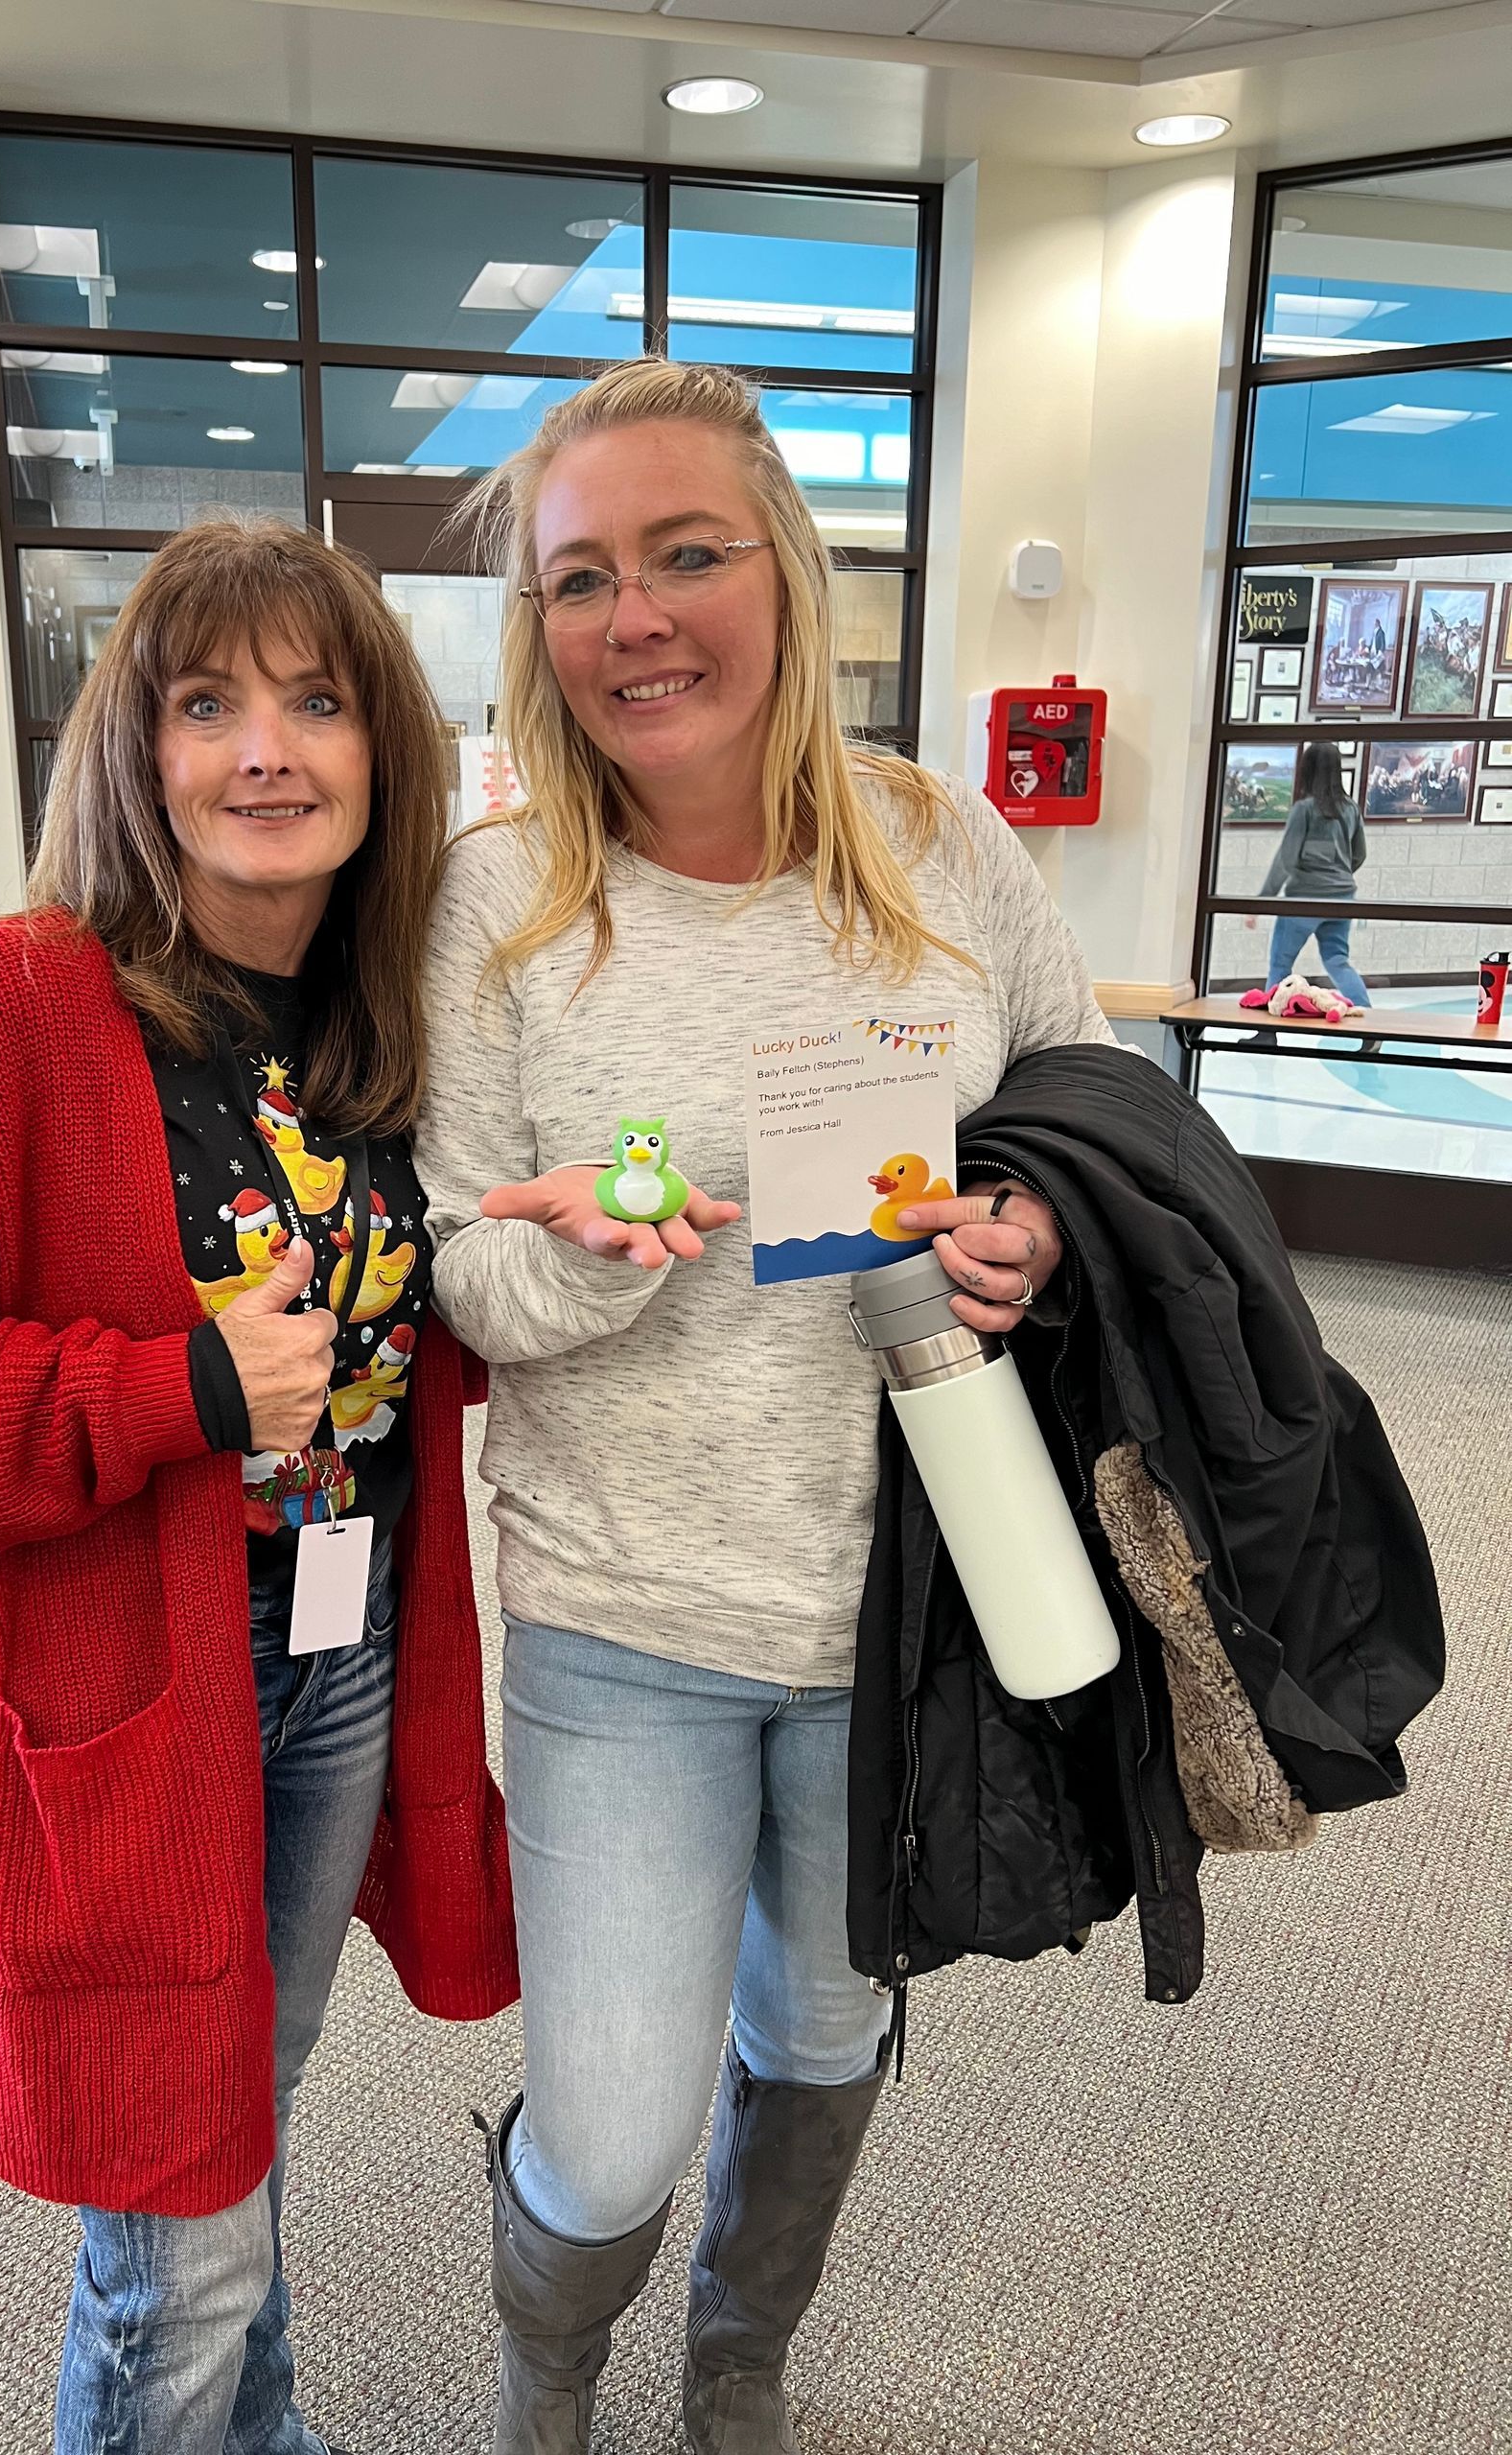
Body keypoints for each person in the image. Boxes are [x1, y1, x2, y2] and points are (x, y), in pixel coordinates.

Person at [416, 359, 1120, 2455]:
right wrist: (587, 1259)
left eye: (687, 554)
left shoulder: (939, 848)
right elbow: (465, 1264)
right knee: (615, 2128)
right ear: (537, 626)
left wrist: (1032, 1232)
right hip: (624, 1613)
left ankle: (741, 2355)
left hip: (903, 1594)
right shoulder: (501, 904)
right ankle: (553, 2358)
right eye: (580, 577)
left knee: (821, 2029)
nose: (636, 615)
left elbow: (1091, 1121)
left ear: (788, 574)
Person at [0, 517, 516, 2455]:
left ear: (383, 752)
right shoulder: (10, 1008)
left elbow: (418, 1334)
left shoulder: (381, 1026)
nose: (265, 749)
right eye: (207, 703)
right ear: (139, 749)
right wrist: (175, 1383)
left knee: (233, 2115)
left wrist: (543, 1243)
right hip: (125, 1684)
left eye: (316, 700)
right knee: (170, 2232)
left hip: (341, 1650)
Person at [1259, 738, 1370, 1008]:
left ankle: (1267, 1033)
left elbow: (1286, 859)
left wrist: (1264, 897)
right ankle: (1368, 1023)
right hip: (1342, 898)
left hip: (1304, 899)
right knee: (1337, 961)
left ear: (1306, 770)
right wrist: (1337, 876)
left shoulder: (1304, 809)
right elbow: (1359, 854)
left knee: (1280, 965)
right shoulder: (1350, 808)